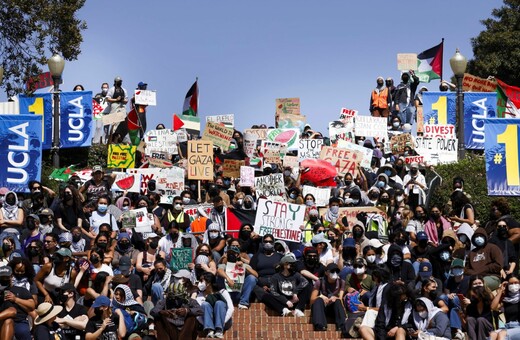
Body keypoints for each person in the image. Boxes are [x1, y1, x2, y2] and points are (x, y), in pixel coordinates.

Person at [310, 262, 347, 335]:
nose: (335, 273)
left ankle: (342, 326)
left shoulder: (341, 282)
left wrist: (336, 298)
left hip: (333, 309)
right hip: (321, 309)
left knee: (337, 301)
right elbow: (311, 300)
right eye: (332, 271)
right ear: (326, 273)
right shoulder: (319, 282)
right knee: (318, 300)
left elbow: (341, 300)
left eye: (337, 271)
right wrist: (320, 296)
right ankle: (320, 325)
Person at [0, 266, 35, 340]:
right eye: (2, 277)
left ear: (11, 276)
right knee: (7, 321)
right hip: (2, 320)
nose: (4, 279)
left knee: (22, 331)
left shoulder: (21, 290)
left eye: (6, 277)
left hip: (19, 321)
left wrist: (15, 299)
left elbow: (32, 305)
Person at [196, 272, 234, 339]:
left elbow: (231, 308)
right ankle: (210, 330)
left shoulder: (222, 292)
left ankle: (219, 330)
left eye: (202, 281)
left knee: (219, 303)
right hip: (208, 322)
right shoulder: (199, 296)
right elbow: (198, 314)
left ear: (209, 283)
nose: (200, 283)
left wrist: (222, 321)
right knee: (205, 304)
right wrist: (205, 323)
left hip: (224, 322)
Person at [462, 276, 495, 340]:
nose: (478, 285)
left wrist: (471, 302)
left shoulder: (488, 297)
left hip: (487, 327)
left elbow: (488, 301)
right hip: (475, 326)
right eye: (475, 284)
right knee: (470, 319)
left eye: (480, 283)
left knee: (480, 319)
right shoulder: (469, 300)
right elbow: (467, 323)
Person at [490, 275, 520, 340]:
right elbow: (493, 307)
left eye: (516, 283)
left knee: (502, 334)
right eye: (511, 283)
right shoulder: (506, 299)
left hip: (518, 326)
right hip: (508, 326)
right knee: (493, 334)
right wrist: (500, 291)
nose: (513, 285)